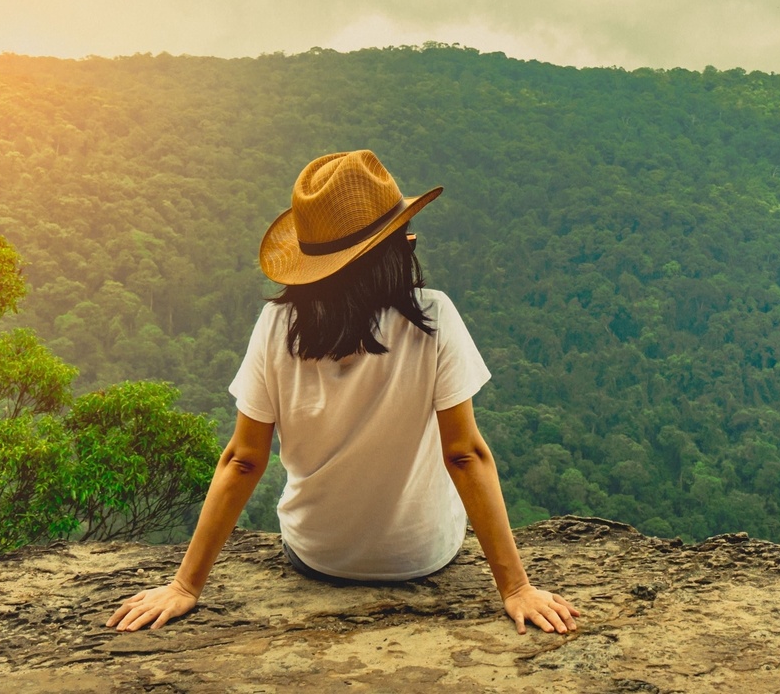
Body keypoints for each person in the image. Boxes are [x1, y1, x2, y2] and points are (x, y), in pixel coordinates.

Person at [107, 150, 580, 635]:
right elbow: (465, 455)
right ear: (391, 254)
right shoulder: (434, 318)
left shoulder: (277, 326)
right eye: (406, 239)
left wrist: (184, 587)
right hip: (421, 556)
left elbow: (243, 461)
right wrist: (517, 588)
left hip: (316, 556)